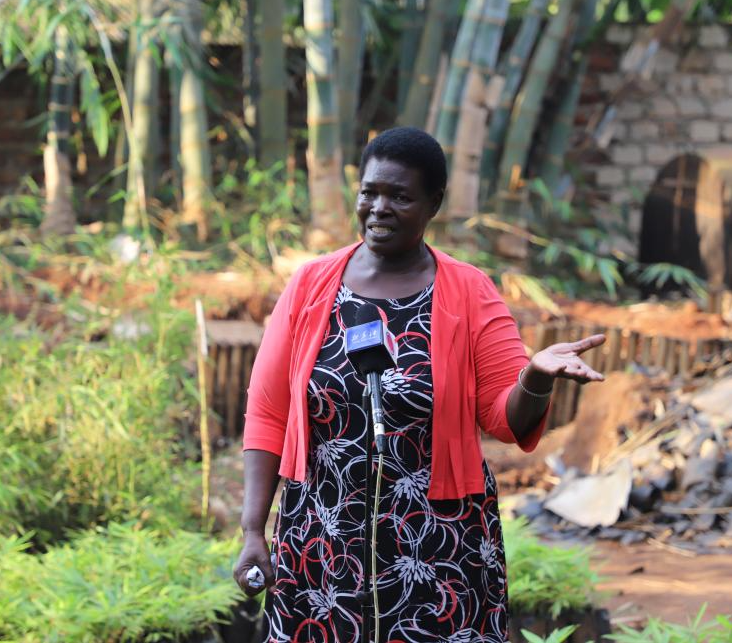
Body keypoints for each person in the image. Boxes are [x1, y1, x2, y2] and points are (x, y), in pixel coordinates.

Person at [233, 127, 605, 642]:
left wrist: (535, 377)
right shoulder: (310, 286)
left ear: (433, 203)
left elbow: (504, 419)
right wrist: (254, 531)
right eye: (370, 192)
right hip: (321, 542)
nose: (379, 207)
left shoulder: (469, 291)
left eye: (400, 196)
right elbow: (268, 412)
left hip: (437, 548)